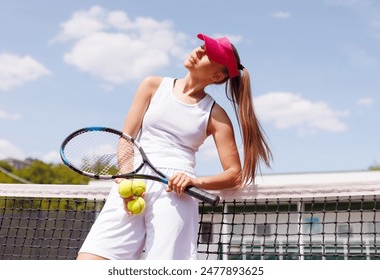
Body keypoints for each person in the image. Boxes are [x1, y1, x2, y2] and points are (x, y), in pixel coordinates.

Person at [77, 33, 272, 260]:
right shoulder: (152, 85)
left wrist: (195, 182)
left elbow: (235, 174)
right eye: (201, 46)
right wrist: (125, 176)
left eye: (209, 53)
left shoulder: (216, 114)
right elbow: (126, 138)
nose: (199, 51)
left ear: (218, 76)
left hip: (177, 194)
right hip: (133, 184)